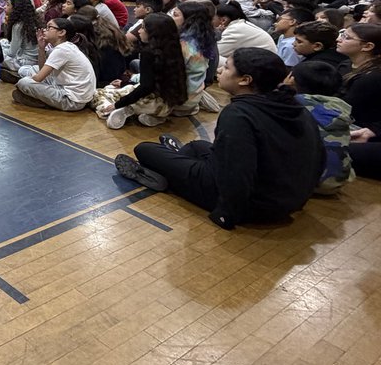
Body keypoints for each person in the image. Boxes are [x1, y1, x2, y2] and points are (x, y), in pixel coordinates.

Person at [116, 48, 323, 230]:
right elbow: (319, 155)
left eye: (227, 68)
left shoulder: (239, 114)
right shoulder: (294, 106)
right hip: (287, 200)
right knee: (197, 146)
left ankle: (165, 175)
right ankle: (177, 163)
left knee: (145, 150)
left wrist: (226, 214)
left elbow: (239, 170)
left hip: (250, 205)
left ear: (245, 80)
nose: (220, 70)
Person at [97, 14, 189, 129]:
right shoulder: (174, 47)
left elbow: (146, 86)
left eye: (143, 28)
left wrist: (118, 104)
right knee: (126, 88)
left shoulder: (149, 53)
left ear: (153, 33)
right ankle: (154, 114)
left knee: (102, 93)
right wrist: (126, 83)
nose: (139, 31)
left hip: (150, 98)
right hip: (169, 101)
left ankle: (124, 109)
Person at [285, 60, 354, 195]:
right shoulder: (339, 107)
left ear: (291, 80)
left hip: (304, 184)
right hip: (337, 181)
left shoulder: (292, 105)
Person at [12, 17, 97, 111]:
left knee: (24, 82)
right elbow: (41, 70)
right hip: (75, 93)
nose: (44, 30)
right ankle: (36, 97)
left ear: (62, 32)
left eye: (49, 27)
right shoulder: (65, 47)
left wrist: (26, 82)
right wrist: (41, 48)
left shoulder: (62, 50)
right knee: (30, 72)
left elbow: (38, 78)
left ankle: (42, 102)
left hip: (72, 101)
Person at [340, 24, 381, 179]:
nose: (339, 39)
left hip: (360, 128)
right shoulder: (345, 64)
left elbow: (346, 108)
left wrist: (374, 130)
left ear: (368, 46)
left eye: (346, 37)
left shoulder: (374, 76)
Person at [1, 0, 42, 81]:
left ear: (15, 9)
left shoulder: (18, 26)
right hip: (34, 60)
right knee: (2, 42)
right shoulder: (33, 20)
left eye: (8, 5)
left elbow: (11, 53)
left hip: (23, 61)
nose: (5, 7)